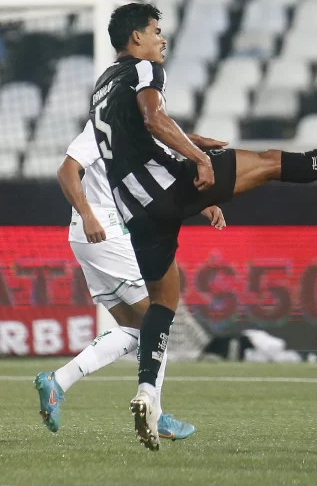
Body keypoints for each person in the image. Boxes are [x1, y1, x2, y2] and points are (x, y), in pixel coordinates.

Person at [92, 3, 317, 451]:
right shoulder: (146, 71)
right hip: (170, 186)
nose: (162, 39)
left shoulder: (103, 84)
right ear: (135, 39)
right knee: (272, 163)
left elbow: (137, 133)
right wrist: (198, 159)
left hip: (136, 209)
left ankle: (149, 392)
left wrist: (192, 151)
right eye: (155, 31)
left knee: (164, 300)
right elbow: (153, 118)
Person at [33, 121, 222, 440]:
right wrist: (90, 215)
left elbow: (158, 147)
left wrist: (192, 147)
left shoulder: (139, 123)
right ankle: (156, 415)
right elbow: (66, 171)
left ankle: (58, 382)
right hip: (103, 229)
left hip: (96, 234)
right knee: (157, 317)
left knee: (135, 328)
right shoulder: (102, 126)